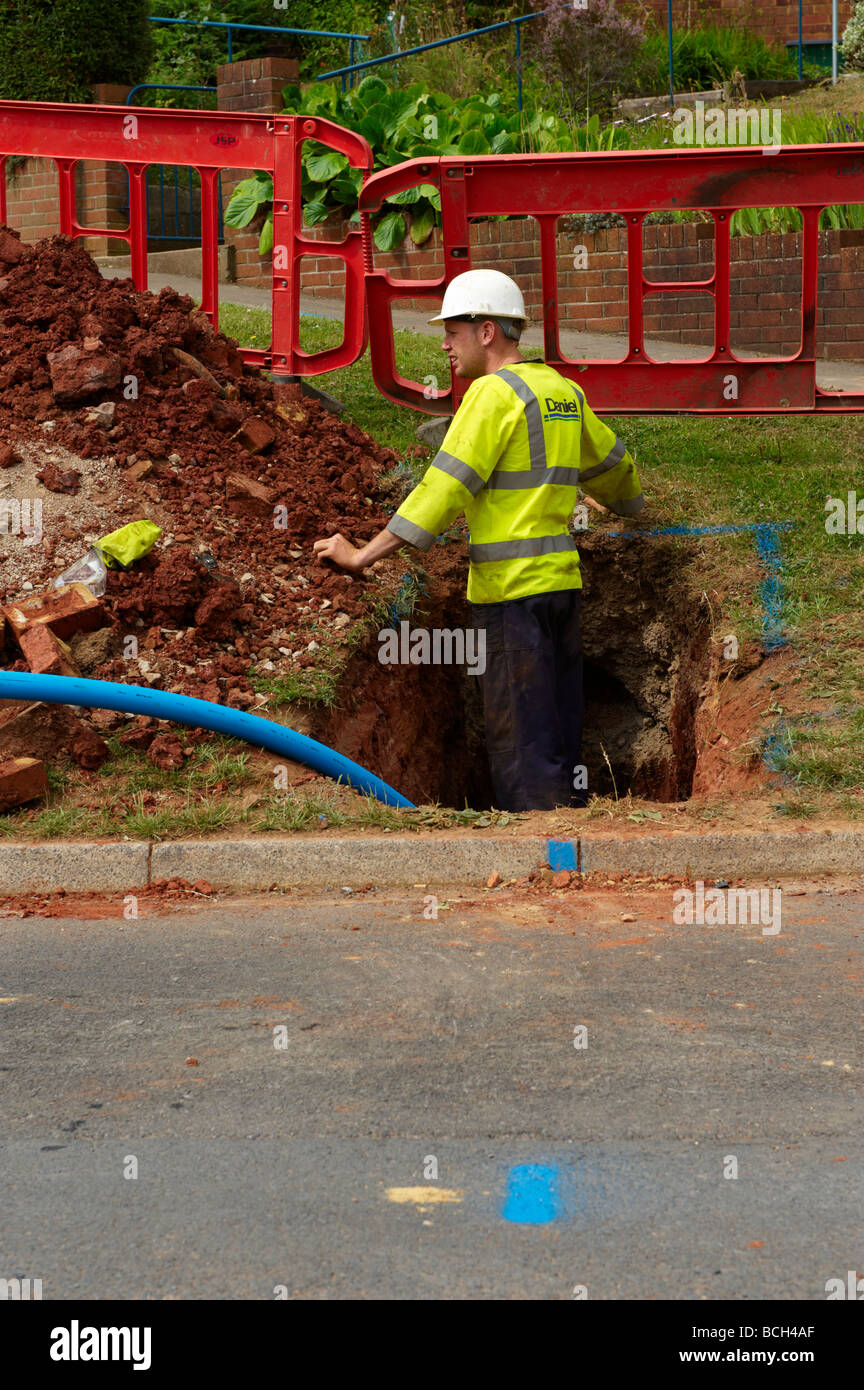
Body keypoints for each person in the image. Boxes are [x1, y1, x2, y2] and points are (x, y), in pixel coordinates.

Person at [313, 268, 645, 811]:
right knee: (558, 727)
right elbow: (615, 466)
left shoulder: (490, 396)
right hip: (561, 590)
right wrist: (629, 506)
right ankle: (573, 838)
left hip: (509, 597)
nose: (444, 343)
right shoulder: (562, 391)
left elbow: (443, 488)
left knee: (521, 742)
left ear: (486, 331)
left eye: (453, 331)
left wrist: (363, 556)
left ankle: (540, 860)